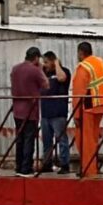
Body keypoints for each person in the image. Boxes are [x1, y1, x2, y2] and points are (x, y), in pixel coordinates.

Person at [71, 41, 103, 177]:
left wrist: (76, 115)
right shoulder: (100, 62)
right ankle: (93, 167)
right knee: (92, 138)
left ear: (81, 53)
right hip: (101, 105)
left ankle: (88, 170)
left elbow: (78, 94)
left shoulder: (83, 67)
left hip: (88, 107)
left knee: (85, 140)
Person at [10, 46, 49, 176]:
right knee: (29, 139)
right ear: (36, 58)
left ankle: (19, 166)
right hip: (30, 110)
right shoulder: (35, 70)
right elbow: (46, 85)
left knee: (20, 138)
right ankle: (26, 168)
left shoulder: (15, 69)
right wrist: (40, 69)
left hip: (17, 109)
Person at [39, 51, 72, 174]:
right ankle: (47, 162)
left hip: (58, 112)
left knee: (61, 139)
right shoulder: (44, 73)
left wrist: (57, 64)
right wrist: (42, 67)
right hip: (46, 112)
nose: (45, 65)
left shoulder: (63, 72)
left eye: (47, 62)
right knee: (47, 140)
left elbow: (62, 78)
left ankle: (64, 164)